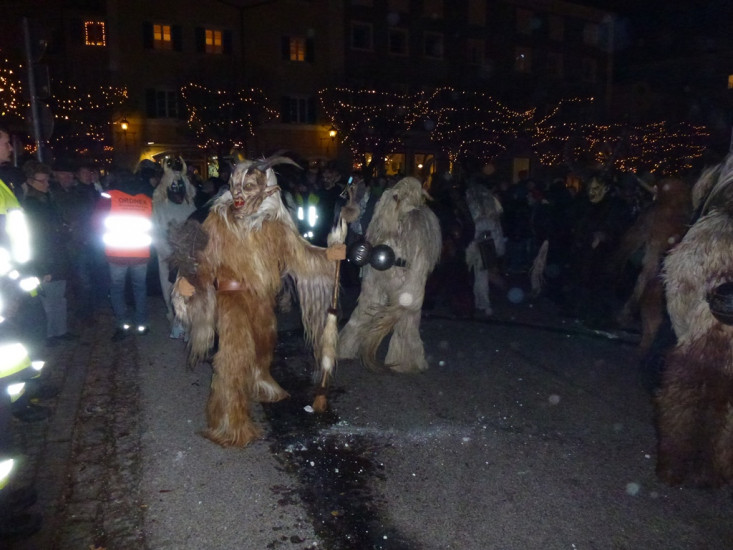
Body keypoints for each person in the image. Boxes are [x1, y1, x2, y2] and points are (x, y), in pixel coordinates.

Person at [21, 160, 74, 344]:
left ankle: (60, 331)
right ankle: (50, 334)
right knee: (49, 300)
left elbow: (54, 229)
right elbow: (36, 240)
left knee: (58, 298)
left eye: (47, 180)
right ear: (30, 181)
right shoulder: (31, 206)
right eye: (41, 181)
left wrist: (64, 230)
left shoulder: (48, 200)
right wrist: (43, 267)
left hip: (58, 255)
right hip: (46, 259)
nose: (46, 184)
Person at [97, 169, 154, 341]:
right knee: (140, 288)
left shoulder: (109, 196)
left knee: (117, 290)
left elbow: (96, 222)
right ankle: (142, 324)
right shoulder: (146, 199)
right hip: (140, 252)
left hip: (117, 253)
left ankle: (123, 325)